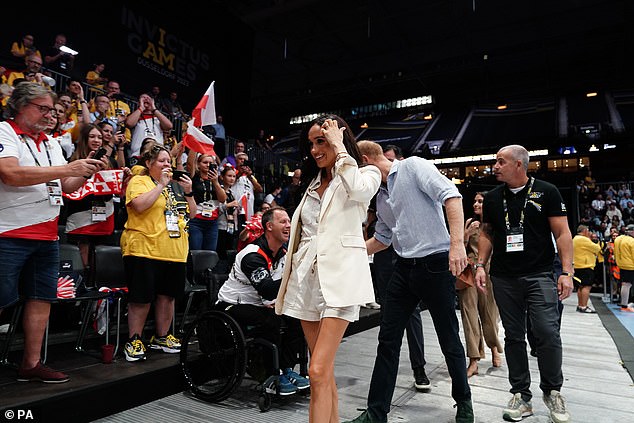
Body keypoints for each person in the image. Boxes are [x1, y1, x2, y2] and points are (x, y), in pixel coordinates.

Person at [349, 140, 472, 423]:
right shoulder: (380, 196)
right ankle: (376, 412)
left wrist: (457, 245)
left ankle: (464, 402)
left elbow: (451, 196)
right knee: (387, 340)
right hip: (404, 268)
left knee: (449, 339)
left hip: (436, 262)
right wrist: (348, 253)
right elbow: (382, 238)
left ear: (365, 160)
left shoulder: (413, 166)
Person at [275, 115, 380, 423]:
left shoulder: (364, 173)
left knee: (316, 369)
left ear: (338, 139)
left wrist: (338, 143)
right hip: (306, 282)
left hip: (341, 282)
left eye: (321, 141)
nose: (315, 149)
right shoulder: (309, 184)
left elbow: (360, 191)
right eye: (311, 144)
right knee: (324, 372)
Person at [0, 82, 103, 383]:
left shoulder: (51, 142)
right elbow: (10, 174)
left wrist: (85, 173)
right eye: (42, 109)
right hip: (9, 232)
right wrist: (67, 170)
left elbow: (66, 187)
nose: (49, 115)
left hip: (46, 235)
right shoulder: (5, 130)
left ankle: (31, 363)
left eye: (50, 109)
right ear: (21, 106)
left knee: (41, 297)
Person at [474, 144, 573, 423]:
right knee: (513, 336)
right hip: (504, 277)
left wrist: (566, 271)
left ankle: (552, 392)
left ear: (519, 164)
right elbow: (487, 234)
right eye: (495, 161)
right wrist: (480, 265)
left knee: (546, 332)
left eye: (500, 161)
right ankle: (521, 395)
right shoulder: (493, 198)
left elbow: (563, 233)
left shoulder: (547, 191)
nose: (495, 166)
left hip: (540, 274)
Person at [217, 207, 309, 395]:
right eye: (283, 222)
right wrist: (292, 276)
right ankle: (272, 374)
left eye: (289, 221)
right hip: (231, 305)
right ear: (269, 226)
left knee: (296, 316)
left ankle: (286, 369)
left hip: (259, 304)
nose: (288, 225)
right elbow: (267, 289)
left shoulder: (282, 252)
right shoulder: (253, 255)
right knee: (271, 320)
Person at [120, 144, 196, 362]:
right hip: (144, 248)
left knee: (167, 296)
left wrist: (189, 191)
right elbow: (139, 206)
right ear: (149, 164)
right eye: (162, 161)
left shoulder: (176, 186)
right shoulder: (139, 181)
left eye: (168, 161)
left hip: (174, 250)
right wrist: (161, 185)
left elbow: (193, 213)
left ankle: (162, 337)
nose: (167, 165)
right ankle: (135, 339)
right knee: (141, 298)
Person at [367, 144, 430, 391]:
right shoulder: (378, 192)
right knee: (388, 316)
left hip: (412, 256)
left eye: (391, 159)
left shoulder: (411, 174)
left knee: (412, 313)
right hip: (385, 256)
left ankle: (419, 369)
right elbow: (380, 231)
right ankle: (383, 385)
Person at [459, 192, 503, 377]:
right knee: (469, 314)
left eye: (480, 201)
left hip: (491, 270)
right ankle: (473, 359)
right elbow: (458, 246)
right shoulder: (469, 223)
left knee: (490, 313)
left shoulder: (497, 224)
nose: (476, 204)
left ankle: (493, 347)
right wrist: (466, 234)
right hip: (469, 271)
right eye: (475, 201)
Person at [64, 124, 115, 268]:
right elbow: (69, 189)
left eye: (99, 137)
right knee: (82, 253)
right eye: (92, 136)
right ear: (84, 139)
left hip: (104, 213)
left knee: (100, 256)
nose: (97, 140)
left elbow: (112, 192)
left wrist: (107, 172)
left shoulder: (110, 162)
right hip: (80, 213)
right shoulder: (73, 161)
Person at [186, 152, 227, 251]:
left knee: (210, 252)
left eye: (210, 163)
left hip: (212, 222)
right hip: (196, 220)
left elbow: (222, 199)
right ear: (198, 164)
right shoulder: (194, 176)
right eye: (205, 162)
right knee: (195, 252)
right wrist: (194, 146)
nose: (208, 165)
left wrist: (215, 182)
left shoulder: (216, 179)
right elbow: (190, 163)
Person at [125, 93, 173, 158]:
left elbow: (169, 126)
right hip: (138, 155)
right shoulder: (136, 116)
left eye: (148, 98)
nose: (146, 99)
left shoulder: (158, 118)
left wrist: (154, 109)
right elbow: (129, 123)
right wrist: (141, 108)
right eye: (143, 98)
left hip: (156, 156)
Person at [573, 224, 602, 313]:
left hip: (577, 265)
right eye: (588, 231)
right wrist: (595, 241)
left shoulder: (575, 238)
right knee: (587, 286)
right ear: (585, 231)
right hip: (585, 266)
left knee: (580, 287)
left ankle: (580, 305)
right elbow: (597, 249)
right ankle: (584, 306)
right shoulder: (583, 240)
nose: (589, 233)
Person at [614, 224, 634, 311]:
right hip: (630, 265)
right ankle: (624, 306)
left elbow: (615, 252)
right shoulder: (632, 241)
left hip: (621, 264)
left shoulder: (618, 239)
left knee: (625, 285)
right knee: (627, 285)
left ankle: (624, 304)